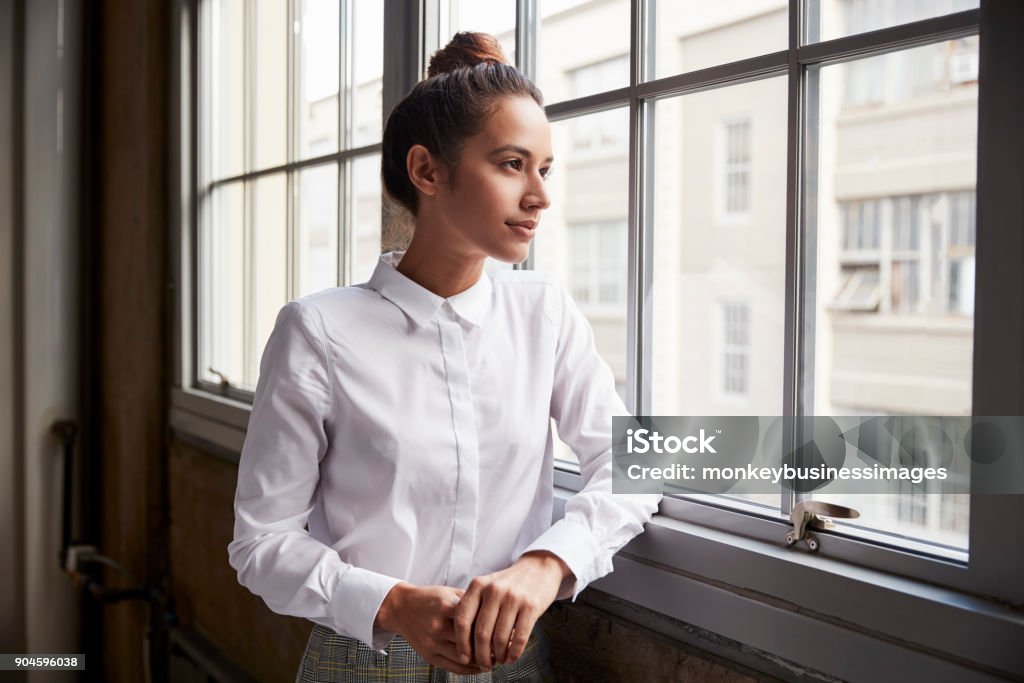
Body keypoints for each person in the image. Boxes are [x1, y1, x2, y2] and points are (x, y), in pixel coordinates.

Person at [228, 32, 661, 682]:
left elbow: (633, 463)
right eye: (512, 164)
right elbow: (261, 543)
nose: (539, 195)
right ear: (428, 171)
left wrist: (546, 563)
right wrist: (395, 603)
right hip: (363, 663)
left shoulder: (544, 312)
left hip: (515, 662)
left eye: (545, 169)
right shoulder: (317, 331)